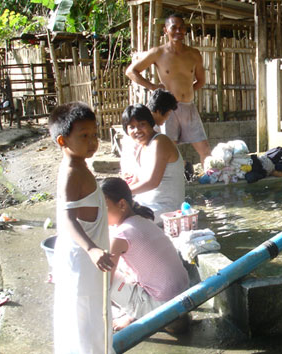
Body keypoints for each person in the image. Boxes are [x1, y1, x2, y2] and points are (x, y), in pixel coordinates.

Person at [49, 102, 114, 353]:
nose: (93, 141)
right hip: (82, 263)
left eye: (95, 134)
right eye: (84, 136)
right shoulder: (71, 173)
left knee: (93, 323)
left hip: (87, 264)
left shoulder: (80, 166)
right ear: (62, 141)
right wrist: (92, 249)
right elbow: (67, 219)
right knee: (85, 329)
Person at [102, 177, 189, 331]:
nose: (99, 214)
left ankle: (134, 313)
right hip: (184, 294)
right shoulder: (143, 220)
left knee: (100, 276)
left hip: (162, 305)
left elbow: (105, 281)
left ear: (122, 204)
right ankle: (134, 312)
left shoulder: (120, 236)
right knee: (122, 265)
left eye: (103, 208)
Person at [125, 13, 210, 164]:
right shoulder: (158, 53)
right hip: (167, 110)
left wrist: (187, 93)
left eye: (182, 28)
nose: (178, 31)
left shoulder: (194, 54)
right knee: (169, 149)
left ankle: (211, 179)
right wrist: (152, 87)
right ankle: (174, 180)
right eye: (174, 28)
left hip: (188, 107)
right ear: (165, 30)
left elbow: (201, 81)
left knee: (204, 149)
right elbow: (131, 71)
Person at [122, 104, 184, 224]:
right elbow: (135, 180)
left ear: (150, 123)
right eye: (132, 127)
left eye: (142, 124)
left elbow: (152, 182)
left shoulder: (160, 141)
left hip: (165, 210)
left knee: (123, 221)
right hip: (145, 204)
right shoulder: (141, 147)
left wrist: (121, 192)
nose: (137, 130)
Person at [119, 89, 178, 178]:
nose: (167, 118)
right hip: (136, 175)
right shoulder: (151, 131)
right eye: (168, 114)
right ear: (158, 111)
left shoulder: (136, 124)